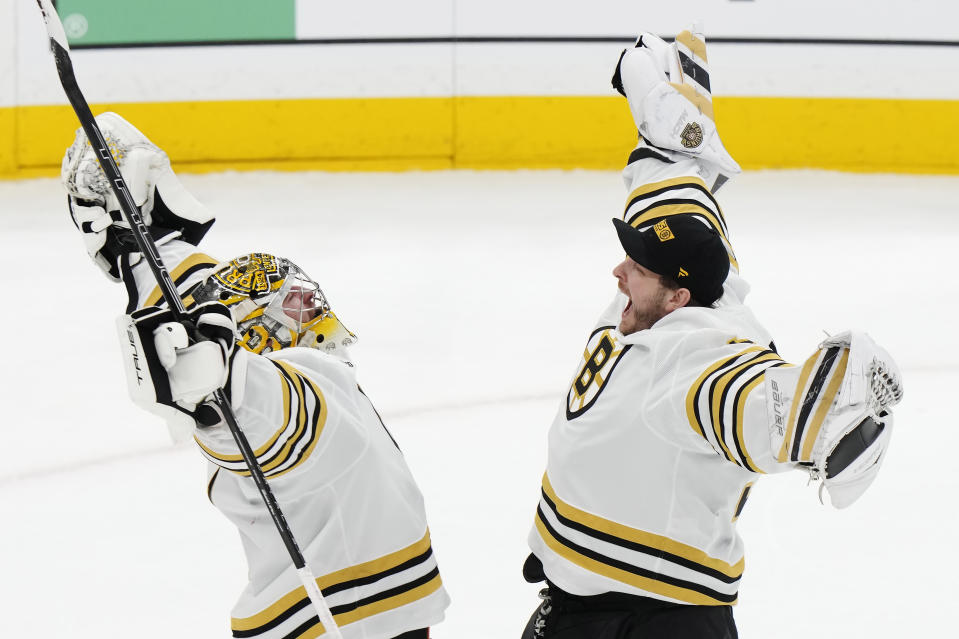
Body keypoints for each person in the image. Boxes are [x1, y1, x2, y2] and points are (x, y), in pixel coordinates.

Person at [520, 28, 903, 639]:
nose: (617, 273)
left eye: (637, 267)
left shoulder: (696, 355)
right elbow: (677, 219)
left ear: (678, 297)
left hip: (649, 622)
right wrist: (671, 151)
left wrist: (833, 411)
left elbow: (761, 406)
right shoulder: (676, 290)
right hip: (587, 609)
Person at [61, 113, 450, 639]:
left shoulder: (317, 393)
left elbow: (244, 372)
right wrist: (223, 384)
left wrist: (143, 247)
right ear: (256, 342)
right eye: (297, 309)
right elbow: (271, 409)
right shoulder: (304, 401)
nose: (316, 315)